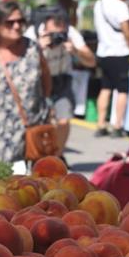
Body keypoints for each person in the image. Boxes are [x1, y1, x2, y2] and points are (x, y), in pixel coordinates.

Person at [0, 0, 51, 167]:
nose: (17, 26)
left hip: (25, 138)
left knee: (22, 190)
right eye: (10, 22)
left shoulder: (32, 49)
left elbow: (46, 84)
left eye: (21, 21)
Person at [25, 9, 95, 156]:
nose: (57, 36)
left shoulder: (71, 34)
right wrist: (38, 48)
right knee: (40, 124)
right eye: (54, 30)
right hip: (39, 81)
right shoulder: (32, 34)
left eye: (61, 30)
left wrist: (75, 51)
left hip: (61, 79)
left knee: (63, 121)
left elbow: (91, 62)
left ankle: (57, 155)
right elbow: (20, 65)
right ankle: (38, 155)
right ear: (45, 25)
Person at [93, 0, 129, 138]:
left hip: (103, 52)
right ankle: (117, 125)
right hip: (119, 52)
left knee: (105, 88)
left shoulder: (98, 4)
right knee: (122, 90)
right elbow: (127, 30)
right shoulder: (120, 6)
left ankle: (100, 123)